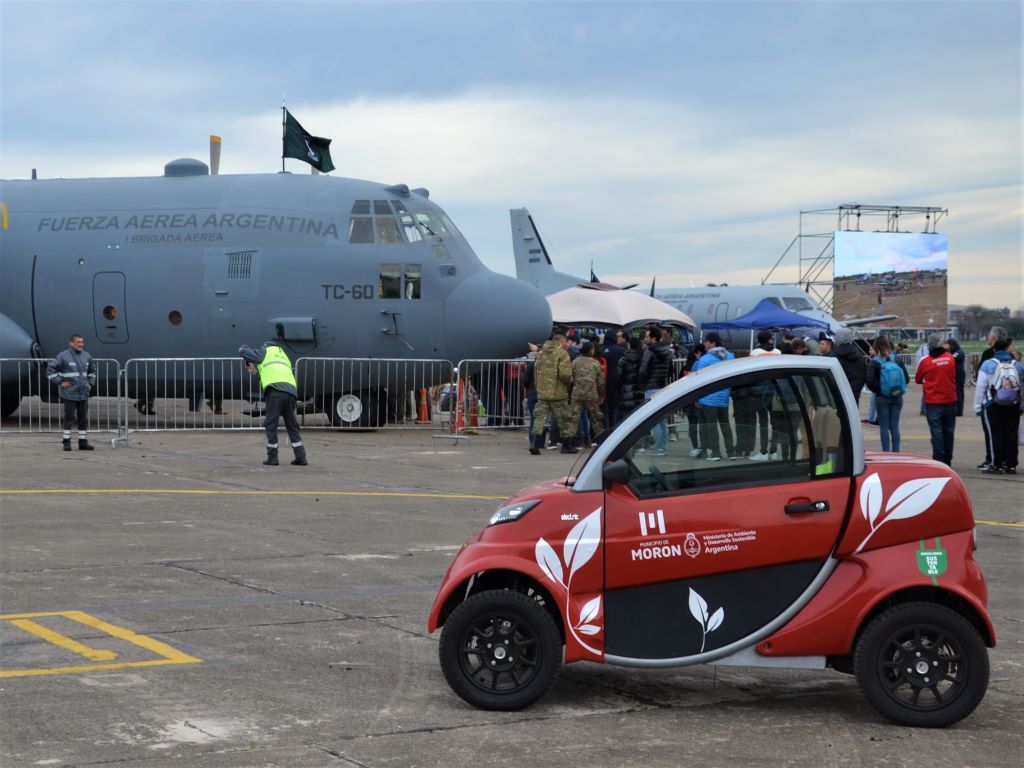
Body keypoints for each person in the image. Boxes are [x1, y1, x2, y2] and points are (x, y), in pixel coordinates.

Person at [239, 342, 307, 466]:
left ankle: (272, 457)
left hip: (275, 392)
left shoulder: (265, 351)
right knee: (292, 425)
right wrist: (254, 371)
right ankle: (301, 456)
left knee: (271, 423)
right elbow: (271, 374)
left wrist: (247, 348)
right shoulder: (283, 356)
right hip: (291, 392)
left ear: (265, 346)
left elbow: (242, 351)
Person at [973, 338, 1023, 474]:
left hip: (992, 403)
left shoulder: (987, 364)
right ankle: (1011, 465)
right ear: (1008, 348)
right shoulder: (1017, 365)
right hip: (1013, 403)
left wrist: (978, 407)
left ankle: (996, 464)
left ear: (994, 349)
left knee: (995, 434)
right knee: (1011, 434)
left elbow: (980, 387)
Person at [47, 333, 96, 451]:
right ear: (71, 343)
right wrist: (60, 382)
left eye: (82, 342)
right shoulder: (63, 356)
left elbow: (92, 371)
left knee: (83, 419)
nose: (81, 344)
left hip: (83, 393)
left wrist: (90, 383)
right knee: (69, 418)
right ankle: (66, 442)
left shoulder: (87, 356)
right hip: (69, 393)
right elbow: (50, 370)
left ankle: (83, 442)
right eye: (78, 342)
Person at [529, 332, 577, 454]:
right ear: (562, 341)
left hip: (542, 392)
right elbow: (565, 374)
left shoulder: (541, 354)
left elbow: (536, 372)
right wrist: (570, 381)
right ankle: (567, 445)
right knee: (564, 419)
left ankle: (534, 442)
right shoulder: (562, 354)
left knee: (539, 418)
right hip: (558, 393)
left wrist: (539, 386)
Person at [691, 332, 736, 461]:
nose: (704, 344)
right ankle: (731, 452)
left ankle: (715, 452)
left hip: (708, 398)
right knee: (725, 425)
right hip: (724, 397)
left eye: (706, 341)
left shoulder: (704, 359)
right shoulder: (730, 357)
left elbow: (698, 380)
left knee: (711, 425)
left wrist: (697, 398)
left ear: (713, 343)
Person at [915, 333, 957, 466]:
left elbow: (917, 379)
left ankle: (939, 459)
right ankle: (948, 458)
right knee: (949, 431)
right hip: (950, 399)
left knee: (936, 431)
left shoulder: (925, 361)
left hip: (933, 401)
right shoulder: (950, 358)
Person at [865, 335, 909, 452]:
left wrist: (879, 390)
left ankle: (886, 452)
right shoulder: (897, 360)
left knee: (884, 427)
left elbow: (869, 381)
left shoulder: (875, 362)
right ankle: (896, 452)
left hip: (882, 397)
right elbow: (907, 378)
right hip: (897, 396)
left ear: (876, 346)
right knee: (895, 426)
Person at [638, 327, 674, 455]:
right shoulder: (667, 351)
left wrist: (642, 383)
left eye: (647, 337)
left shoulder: (649, 352)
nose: (645, 339)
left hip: (650, 387)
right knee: (661, 419)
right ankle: (662, 445)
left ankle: (659, 447)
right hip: (662, 386)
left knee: (653, 420)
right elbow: (671, 370)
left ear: (653, 338)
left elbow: (643, 370)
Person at [976, 326, 1008, 470]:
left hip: (990, 399)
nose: (988, 338)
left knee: (990, 432)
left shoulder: (988, 354)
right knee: (1005, 431)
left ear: (994, 338)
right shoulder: (1010, 355)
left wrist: (978, 405)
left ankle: (992, 459)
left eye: (989, 336)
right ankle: (1006, 459)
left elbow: (980, 379)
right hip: (1009, 398)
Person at [570, 341, 605, 447]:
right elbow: (601, 382)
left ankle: (569, 443)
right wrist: (601, 395)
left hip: (577, 394)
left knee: (573, 419)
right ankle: (601, 442)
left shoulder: (575, 362)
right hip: (591, 395)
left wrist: (569, 392)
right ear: (590, 350)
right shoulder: (595, 363)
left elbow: (570, 379)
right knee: (596, 419)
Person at [832, 328, 867, 404]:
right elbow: (863, 374)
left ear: (839, 338)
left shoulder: (834, 356)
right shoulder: (859, 355)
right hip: (854, 392)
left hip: (838, 392)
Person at [616, 336, 643, 419]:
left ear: (629, 344)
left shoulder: (623, 359)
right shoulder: (642, 357)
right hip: (640, 392)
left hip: (625, 392)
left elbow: (618, 377)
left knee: (626, 419)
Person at [944, 338, 966, 417]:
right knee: (956, 392)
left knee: (959, 392)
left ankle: (959, 410)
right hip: (955, 374)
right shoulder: (954, 352)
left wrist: (946, 351)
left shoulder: (958, 352)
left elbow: (951, 359)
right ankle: (956, 409)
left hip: (959, 374)